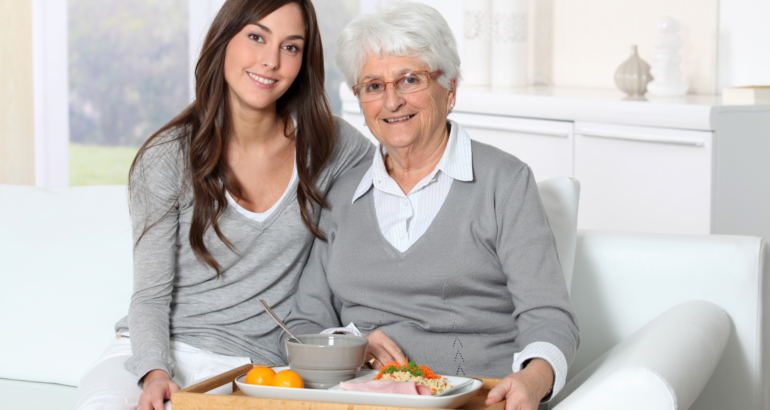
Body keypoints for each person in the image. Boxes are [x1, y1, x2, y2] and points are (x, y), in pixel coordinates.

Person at [72, 0, 373, 409]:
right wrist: (155, 374)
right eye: (256, 37)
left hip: (252, 368)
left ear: (304, 61)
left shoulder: (330, 147)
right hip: (147, 356)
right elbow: (149, 297)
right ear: (223, 41)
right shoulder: (167, 157)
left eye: (290, 47)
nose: (270, 61)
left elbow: (393, 201)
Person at [283, 3, 579, 409]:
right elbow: (303, 323)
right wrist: (352, 345)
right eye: (373, 85)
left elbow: (549, 315)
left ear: (450, 88)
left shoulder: (504, 182)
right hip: (361, 401)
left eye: (409, 79)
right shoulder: (341, 194)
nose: (391, 101)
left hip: (476, 398)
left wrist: (532, 378)